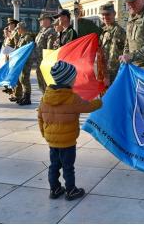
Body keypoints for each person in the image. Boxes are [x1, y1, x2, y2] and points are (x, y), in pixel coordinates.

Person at [37, 60, 102, 200]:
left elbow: (40, 117)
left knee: (54, 165)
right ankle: (71, 191)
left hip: (52, 141)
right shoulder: (72, 98)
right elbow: (88, 107)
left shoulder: (45, 98)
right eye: (74, 78)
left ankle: (54, 190)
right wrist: (100, 100)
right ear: (68, 80)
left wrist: (46, 134)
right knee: (68, 167)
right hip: (68, 142)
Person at [99, 2, 126, 85]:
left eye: (107, 14)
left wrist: (107, 76)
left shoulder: (118, 31)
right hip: (105, 73)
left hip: (113, 75)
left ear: (114, 14)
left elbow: (113, 57)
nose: (105, 17)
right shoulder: (105, 30)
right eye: (103, 15)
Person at [11, 22, 34, 105]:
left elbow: (29, 49)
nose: (17, 30)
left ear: (21, 28)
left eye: (18, 28)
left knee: (25, 78)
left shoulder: (27, 37)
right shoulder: (21, 37)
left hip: (26, 61)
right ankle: (24, 96)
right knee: (21, 78)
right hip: (21, 61)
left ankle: (27, 98)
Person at [35, 13, 57, 93]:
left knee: (46, 80)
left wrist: (47, 61)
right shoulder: (41, 31)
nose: (40, 21)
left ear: (47, 20)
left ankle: (48, 97)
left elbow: (50, 47)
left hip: (45, 61)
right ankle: (44, 96)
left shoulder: (51, 31)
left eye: (41, 20)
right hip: (39, 60)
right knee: (40, 79)